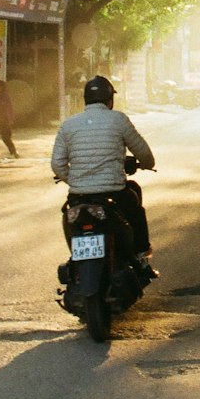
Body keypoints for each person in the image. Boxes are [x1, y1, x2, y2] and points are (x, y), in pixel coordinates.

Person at [51, 75, 156, 271]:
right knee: (134, 203)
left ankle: (78, 259)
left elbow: (57, 164)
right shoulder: (118, 119)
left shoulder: (69, 124)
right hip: (114, 194)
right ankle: (141, 256)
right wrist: (147, 163)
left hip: (78, 196)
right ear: (110, 99)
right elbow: (144, 153)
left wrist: (74, 180)